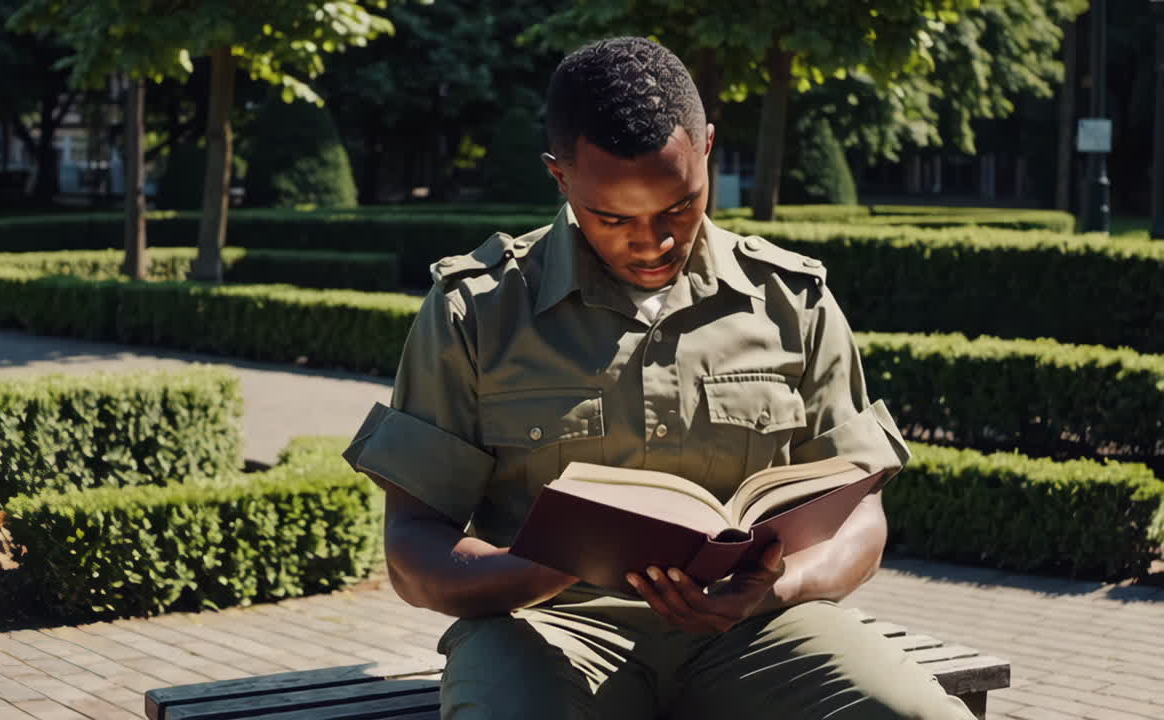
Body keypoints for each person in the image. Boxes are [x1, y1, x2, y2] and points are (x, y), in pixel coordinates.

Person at [344, 36, 974, 720]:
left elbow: (858, 513)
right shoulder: (478, 308)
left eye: (679, 206)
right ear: (560, 177)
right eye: (611, 218)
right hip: (548, 629)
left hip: (757, 628)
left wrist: (776, 590)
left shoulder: (793, 300)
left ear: (706, 147)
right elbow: (413, 545)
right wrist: (552, 567)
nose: (652, 242)